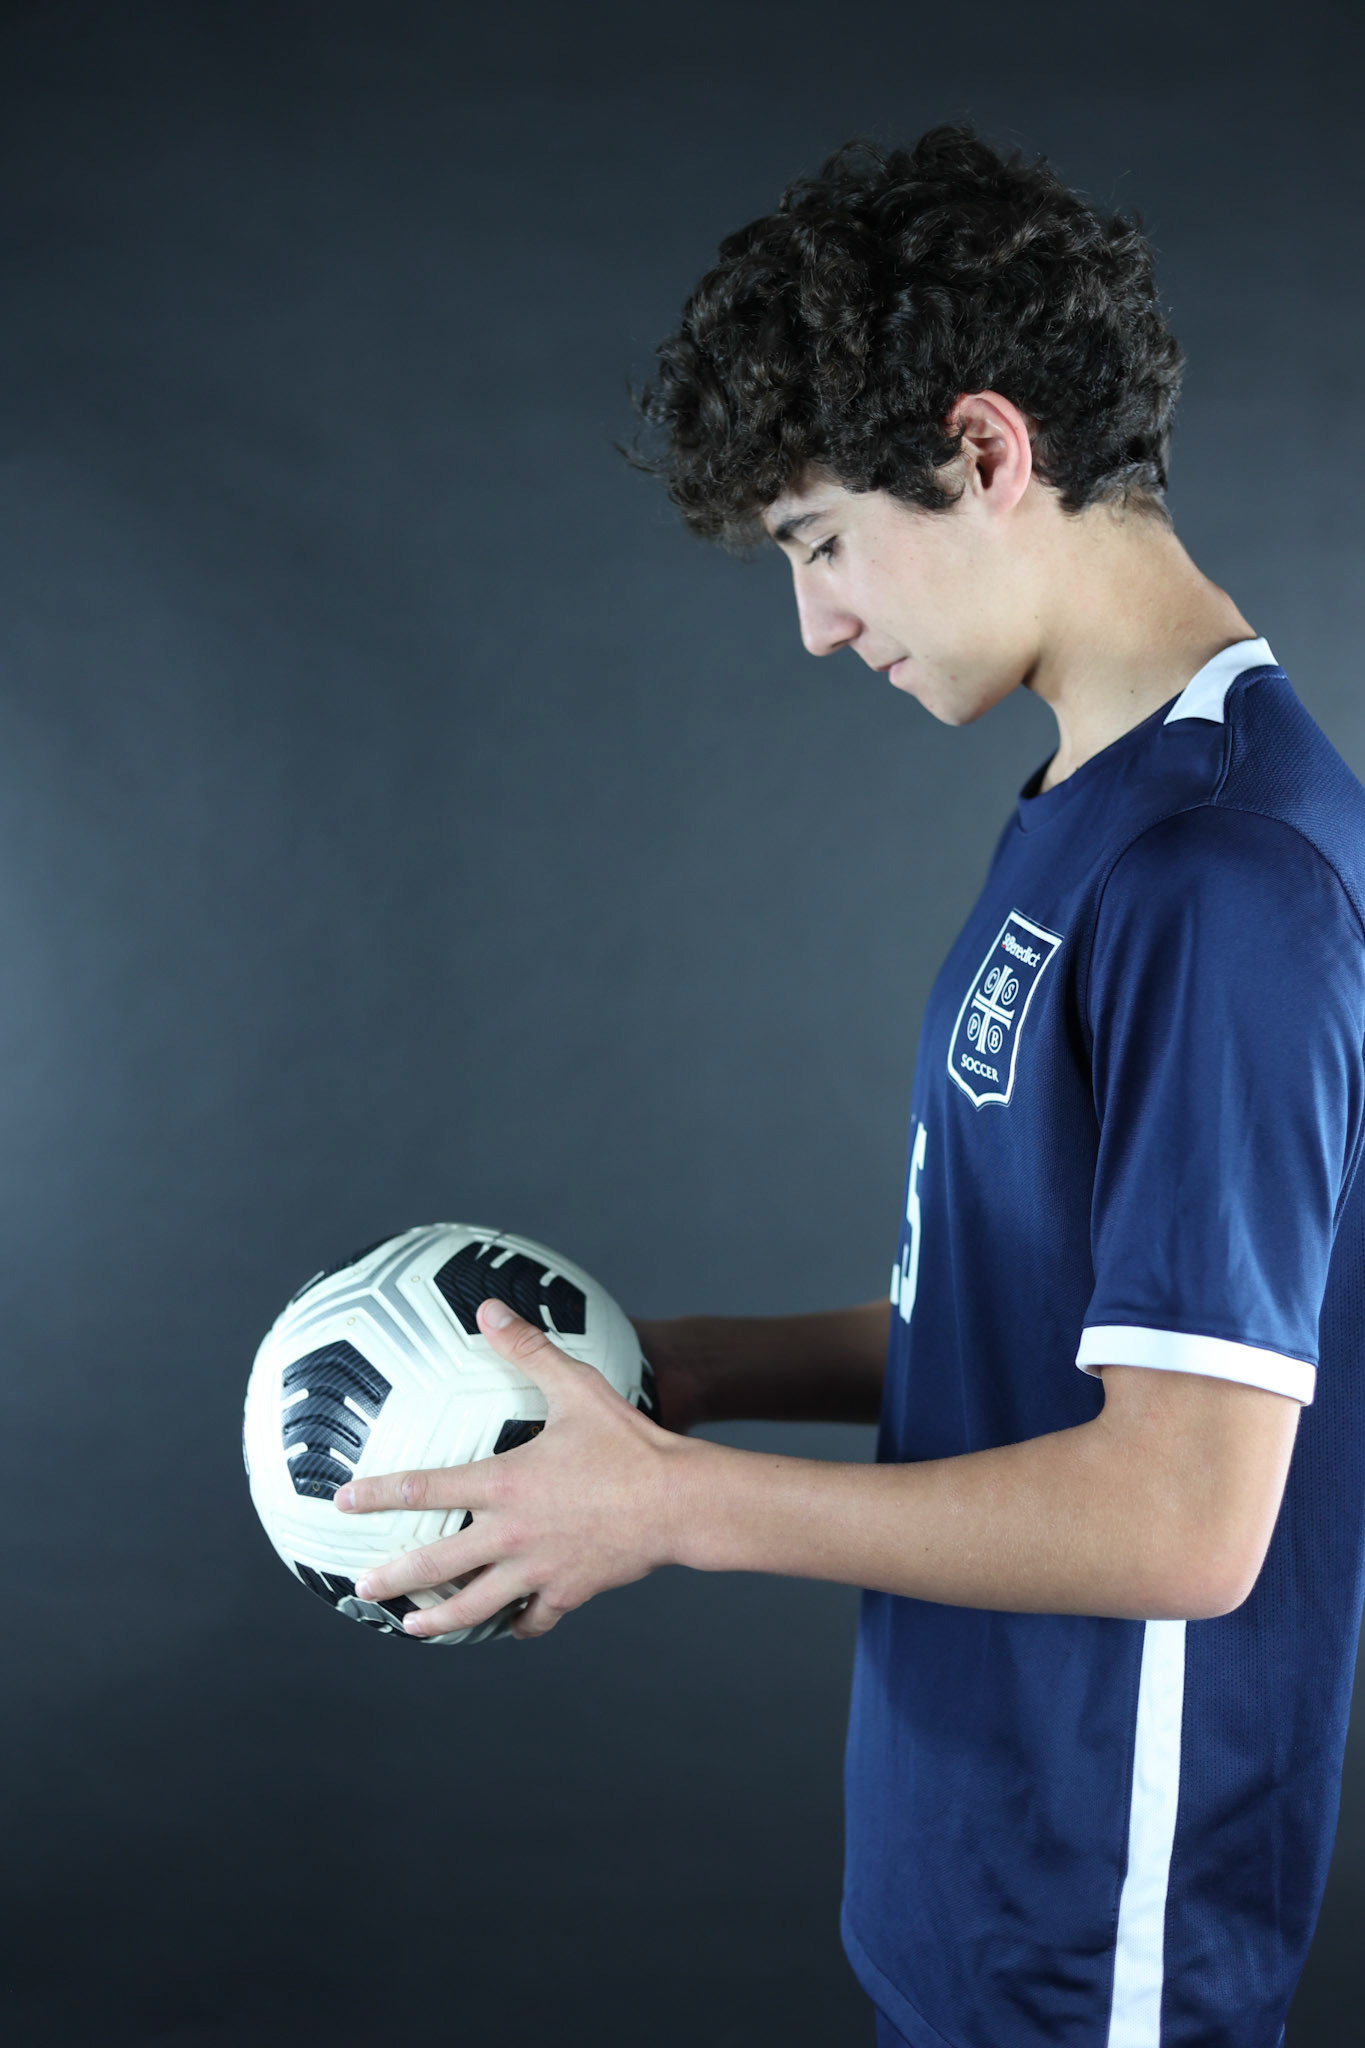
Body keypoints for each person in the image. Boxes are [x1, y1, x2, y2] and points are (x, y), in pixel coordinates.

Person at [336, 126, 1365, 2047]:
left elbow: (1182, 1518)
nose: (815, 622)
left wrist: (674, 1505)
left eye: (819, 542)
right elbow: (1021, 1337)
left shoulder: (1229, 875)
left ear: (983, 453)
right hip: (963, 1877)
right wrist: (679, 1376)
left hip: (1101, 1937)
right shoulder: (1091, 804)